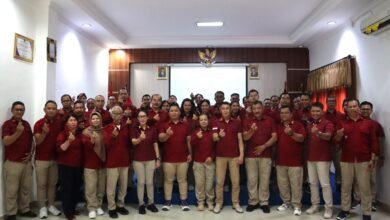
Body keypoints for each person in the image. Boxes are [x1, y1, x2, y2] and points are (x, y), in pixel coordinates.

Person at [335, 99, 378, 220]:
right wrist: (338, 135)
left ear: (358, 108)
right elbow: (336, 141)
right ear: (346, 108)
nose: (353, 109)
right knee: (346, 186)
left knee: (365, 188)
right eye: (350, 107)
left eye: (355, 106)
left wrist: (372, 159)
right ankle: (345, 210)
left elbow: (374, 142)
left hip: (364, 160)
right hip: (346, 159)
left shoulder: (368, 123)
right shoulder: (341, 123)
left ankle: (366, 213)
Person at [2, 101, 37, 220]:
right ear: (12, 111)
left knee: (26, 189)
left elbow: (32, 141)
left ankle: (25, 209)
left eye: (21, 110)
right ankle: (11, 213)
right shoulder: (7, 124)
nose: (19, 111)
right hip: (12, 163)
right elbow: (6, 141)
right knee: (11, 190)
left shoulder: (26, 124)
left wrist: (30, 155)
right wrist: (17, 132)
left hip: (26, 163)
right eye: (17, 109)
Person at [243, 101, 277, 213]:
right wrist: (252, 130)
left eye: (259, 108)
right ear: (252, 110)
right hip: (250, 155)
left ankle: (264, 202)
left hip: (266, 154)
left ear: (262, 109)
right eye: (254, 108)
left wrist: (264, 146)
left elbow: (275, 137)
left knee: (265, 179)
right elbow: (245, 138)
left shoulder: (269, 120)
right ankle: (253, 202)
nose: (257, 110)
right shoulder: (247, 120)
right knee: (252, 180)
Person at [212, 102, 244, 214]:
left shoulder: (237, 122)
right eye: (223, 108)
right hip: (220, 157)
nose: (225, 110)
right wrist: (219, 136)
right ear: (220, 110)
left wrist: (241, 155)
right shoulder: (216, 122)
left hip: (234, 157)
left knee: (235, 182)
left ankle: (236, 203)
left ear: (230, 110)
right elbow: (214, 138)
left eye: (227, 108)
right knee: (219, 182)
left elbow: (240, 139)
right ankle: (218, 203)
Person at [353, 101, 385, 212]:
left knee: (372, 180)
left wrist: (381, 157)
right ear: (359, 110)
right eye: (363, 109)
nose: (365, 111)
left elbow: (380, 141)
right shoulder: (355, 122)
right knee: (357, 180)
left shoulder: (376, 125)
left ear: (371, 110)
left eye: (368, 109)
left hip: (372, 157)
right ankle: (358, 200)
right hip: (358, 157)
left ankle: (372, 201)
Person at [158, 103, 192, 211]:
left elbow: (189, 141)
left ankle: (184, 201)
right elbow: (160, 139)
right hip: (168, 158)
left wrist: (190, 154)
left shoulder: (185, 125)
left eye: (176, 110)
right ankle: (167, 201)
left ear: (180, 112)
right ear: (169, 112)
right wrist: (167, 134)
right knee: (168, 180)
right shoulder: (164, 125)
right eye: (171, 111)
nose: (174, 112)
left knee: (182, 180)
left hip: (183, 158)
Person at [305, 102, 334, 219]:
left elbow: (328, 136)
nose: (315, 113)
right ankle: (315, 205)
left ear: (322, 111)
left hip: (323, 158)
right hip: (310, 157)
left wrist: (318, 132)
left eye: (317, 111)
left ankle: (328, 208)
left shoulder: (328, 123)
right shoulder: (309, 123)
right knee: (312, 183)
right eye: (313, 111)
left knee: (325, 184)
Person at [34, 100, 62, 218]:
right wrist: (45, 133)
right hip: (41, 159)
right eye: (49, 108)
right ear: (44, 109)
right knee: (41, 185)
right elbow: (38, 141)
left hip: (55, 159)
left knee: (52, 184)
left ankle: (51, 205)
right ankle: (42, 208)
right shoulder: (39, 124)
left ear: (56, 110)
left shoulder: (59, 123)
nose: (51, 110)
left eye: (53, 108)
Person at [276, 106, 306, 216]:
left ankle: (297, 205)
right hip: (280, 160)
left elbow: (302, 138)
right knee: (282, 184)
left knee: (296, 185)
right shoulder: (278, 126)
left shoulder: (298, 125)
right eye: (282, 113)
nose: (283, 115)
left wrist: (292, 133)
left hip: (295, 161)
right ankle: (286, 202)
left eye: (286, 113)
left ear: (291, 114)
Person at [131, 110, 160, 214]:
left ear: (147, 118)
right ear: (137, 118)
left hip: (151, 159)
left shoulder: (152, 129)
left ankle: (151, 203)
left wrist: (158, 158)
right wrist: (140, 138)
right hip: (138, 160)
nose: (142, 118)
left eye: (144, 116)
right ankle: (141, 204)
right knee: (141, 182)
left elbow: (155, 144)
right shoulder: (134, 129)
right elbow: (133, 142)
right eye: (140, 117)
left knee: (149, 182)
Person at [103, 106, 130, 218]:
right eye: (115, 113)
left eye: (120, 113)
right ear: (111, 115)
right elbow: (105, 146)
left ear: (122, 115)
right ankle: (111, 207)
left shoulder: (126, 127)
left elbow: (129, 145)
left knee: (123, 187)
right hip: (112, 163)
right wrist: (112, 137)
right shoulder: (107, 128)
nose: (118, 116)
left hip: (124, 162)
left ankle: (120, 205)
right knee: (111, 187)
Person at [56, 114, 83, 220]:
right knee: (67, 189)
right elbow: (60, 149)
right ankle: (68, 212)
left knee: (75, 188)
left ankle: (72, 208)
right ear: (66, 122)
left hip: (78, 166)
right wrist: (69, 141)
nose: (73, 122)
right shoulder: (62, 134)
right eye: (71, 120)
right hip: (65, 166)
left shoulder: (79, 134)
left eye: (75, 120)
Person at [81, 112, 106, 219]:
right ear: (90, 120)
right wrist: (91, 142)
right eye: (93, 118)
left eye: (97, 118)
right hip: (89, 163)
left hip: (102, 163)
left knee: (100, 187)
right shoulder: (86, 132)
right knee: (90, 187)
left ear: (100, 120)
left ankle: (98, 205)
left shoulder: (104, 131)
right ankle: (91, 208)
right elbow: (84, 147)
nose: (95, 120)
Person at [191, 114, 216, 211]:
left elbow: (216, 147)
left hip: (210, 162)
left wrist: (212, 157)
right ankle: (200, 202)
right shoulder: (195, 132)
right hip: (198, 162)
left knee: (209, 183)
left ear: (208, 121)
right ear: (199, 122)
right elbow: (192, 145)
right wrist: (197, 137)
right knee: (200, 183)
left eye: (205, 119)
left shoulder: (212, 133)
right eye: (201, 120)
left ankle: (210, 202)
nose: (203, 121)